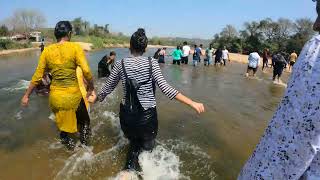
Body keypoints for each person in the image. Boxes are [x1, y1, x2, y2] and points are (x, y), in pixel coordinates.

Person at [92, 28, 204, 172]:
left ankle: (127, 171)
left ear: (130, 46)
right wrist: (192, 103)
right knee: (147, 149)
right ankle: (141, 171)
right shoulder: (152, 63)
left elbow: (106, 90)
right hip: (147, 117)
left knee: (133, 143)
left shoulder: (120, 64)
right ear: (145, 48)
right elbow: (166, 89)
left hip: (127, 116)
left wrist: (93, 99)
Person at [238, 1, 320, 179]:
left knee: (260, 74)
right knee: (271, 76)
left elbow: (295, 136)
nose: (315, 25)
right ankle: (273, 80)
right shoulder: (289, 56)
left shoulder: (316, 49)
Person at [21, 21, 95, 150]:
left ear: (56, 35)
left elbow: (37, 76)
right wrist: (91, 87)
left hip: (55, 98)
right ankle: (84, 150)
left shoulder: (47, 51)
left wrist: (26, 95)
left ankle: (68, 147)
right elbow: (87, 71)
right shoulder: (75, 47)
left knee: (62, 127)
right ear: (69, 33)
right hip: (73, 98)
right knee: (85, 123)